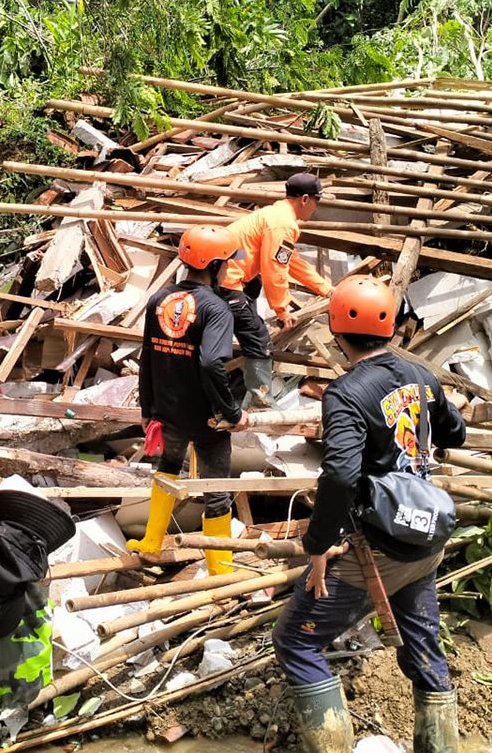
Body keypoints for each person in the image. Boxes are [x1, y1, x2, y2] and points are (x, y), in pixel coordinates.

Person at [271, 275, 466, 753]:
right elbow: (454, 434)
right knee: (424, 650)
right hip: (424, 540)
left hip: (375, 550)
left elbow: (338, 476)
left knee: (295, 642)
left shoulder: (346, 393)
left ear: (337, 331)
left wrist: (316, 548)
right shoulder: (421, 376)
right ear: (394, 327)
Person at [129, 225, 249, 575]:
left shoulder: (159, 300)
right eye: (226, 262)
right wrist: (231, 410)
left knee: (166, 471)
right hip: (207, 417)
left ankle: (151, 542)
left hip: (167, 412)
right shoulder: (216, 309)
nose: (229, 268)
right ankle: (221, 569)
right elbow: (212, 363)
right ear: (213, 265)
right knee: (216, 487)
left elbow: (147, 356)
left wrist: (146, 409)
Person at [219, 172, 334, 406]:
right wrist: (282, 310)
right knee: (259, 340)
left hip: (232, 274)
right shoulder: (282, 223)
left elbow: (291, 261)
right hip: (227, 281)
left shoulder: (276, 214)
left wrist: (327, 290)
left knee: (255, 286)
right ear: (304, 199)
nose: (315, 208)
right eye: (316, 201)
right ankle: (260, 401)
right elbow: (274, 268)